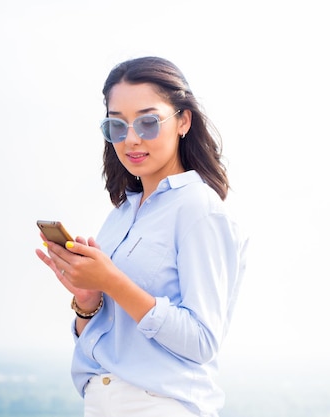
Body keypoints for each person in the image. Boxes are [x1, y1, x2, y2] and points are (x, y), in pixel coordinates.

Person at [35, 56, 248, 417]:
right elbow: (110, 334)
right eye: (117, 126)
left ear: (183, 121)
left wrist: (113, 282)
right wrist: (88, 301)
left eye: (148, 122)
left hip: (161, 405)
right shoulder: (121, 215)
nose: (131, 139)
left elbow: (202, 341)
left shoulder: (199, 209)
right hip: (102, 401)